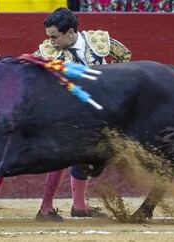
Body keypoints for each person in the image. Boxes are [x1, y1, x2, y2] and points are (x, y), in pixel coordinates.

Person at [33, 7, 131, 221]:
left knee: (85, 156)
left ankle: (77, 206)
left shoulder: (99, 42)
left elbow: (125, 56)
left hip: (96, 112)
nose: (50, 42)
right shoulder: (48, 51)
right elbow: (29, 68)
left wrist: (113, 84)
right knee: (61, 156)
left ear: (70, 32)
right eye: (49, 37)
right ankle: (46, 208)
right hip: (67, 113)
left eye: (54, 36)